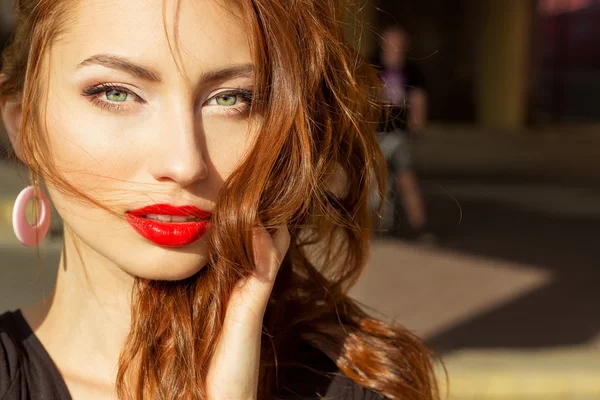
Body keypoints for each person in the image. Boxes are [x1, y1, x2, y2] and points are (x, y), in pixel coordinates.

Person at [0, 1, 440, 399]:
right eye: (116, 92)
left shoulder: (356, 387)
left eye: (231, 99)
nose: (185, 162)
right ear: (23, 125)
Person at [374, 26, 428, 238]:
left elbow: (419, 102)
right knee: (375, 181)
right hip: (375, 132)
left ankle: (419, 226)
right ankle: (378, 227)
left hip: (399, 134)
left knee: (406, 178)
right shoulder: (372, 66)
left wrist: (417, 129)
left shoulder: (412, 72)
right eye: (391, 41)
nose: (395, 46)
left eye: (399, 42)